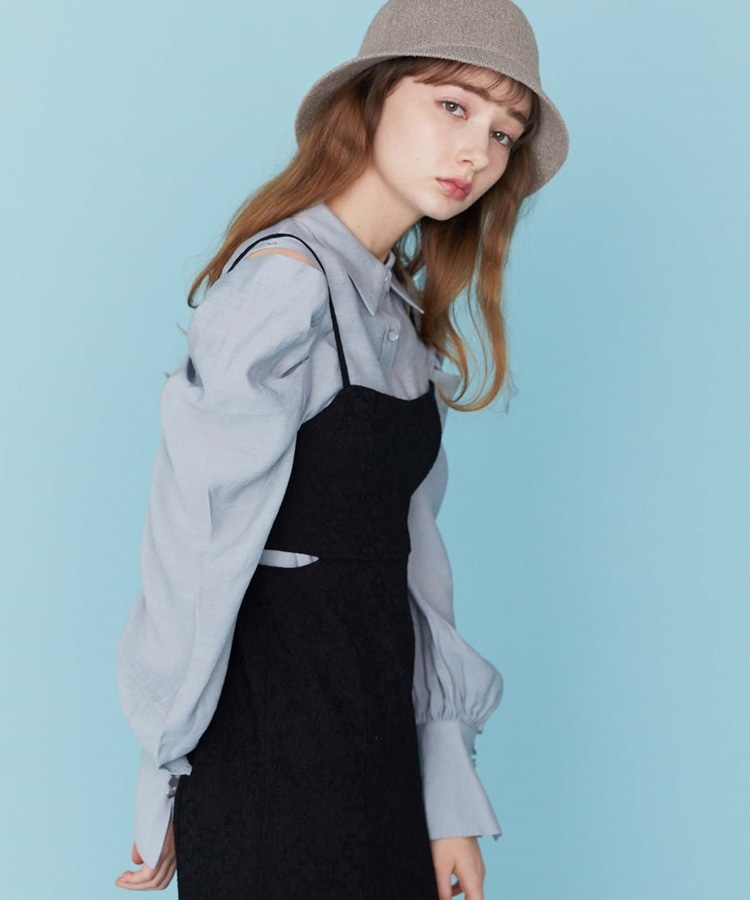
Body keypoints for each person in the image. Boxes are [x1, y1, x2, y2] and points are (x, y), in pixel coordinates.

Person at [115, 0, 569, 896]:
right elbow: (196, 543)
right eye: (453, 105)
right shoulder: (282, 289)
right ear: (371, 98)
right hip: (269, 746)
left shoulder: (397, 314)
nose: (477, 152)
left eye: (503, 133)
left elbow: (415, 565)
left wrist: (447, 791)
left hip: (376, 735)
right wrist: (164, 758)